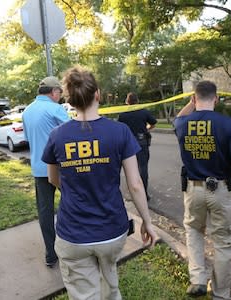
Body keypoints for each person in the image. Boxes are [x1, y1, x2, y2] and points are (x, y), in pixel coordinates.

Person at [41, 66, 159, 300]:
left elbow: (53, 178)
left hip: (73, 234)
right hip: (112, 232)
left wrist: (73, 190)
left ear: (69, 99)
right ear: (97, 94)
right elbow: (135, 184)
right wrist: (147, 222)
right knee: (110, 282)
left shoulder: (57, 135)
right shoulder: (120, 132)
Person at [173, 80, 231, 299]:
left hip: (193, 189)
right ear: (216, 99)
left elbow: (178, 117)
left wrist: (191, 104)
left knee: (193, 230)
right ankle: (219, 294)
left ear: (194, 99)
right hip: (221, 190)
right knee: (224, 243)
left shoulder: (182, 124)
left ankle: (198, 279)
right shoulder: (228, 124)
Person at [22, 76, 70, 267]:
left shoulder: (27, 111)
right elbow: (72, 133)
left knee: (45, 211)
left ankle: (51, 254)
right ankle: (78, 243)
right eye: (60, 93)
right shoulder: (55, 108)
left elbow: (28, 138)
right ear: (53, 92)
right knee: (74, 202)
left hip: (39, 168)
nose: (61, 97)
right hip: (61, 168)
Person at [117, 92, 157, 201]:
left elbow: (120, 128)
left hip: (127, 144)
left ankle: (133, 193)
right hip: (141, 142)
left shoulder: (123, 114)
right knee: (143, 168)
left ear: (127, 102)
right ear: (137, 101)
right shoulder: (144, 112)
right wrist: (146, 129)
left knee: (129, 169)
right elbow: (153, 123)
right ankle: (144, 194)